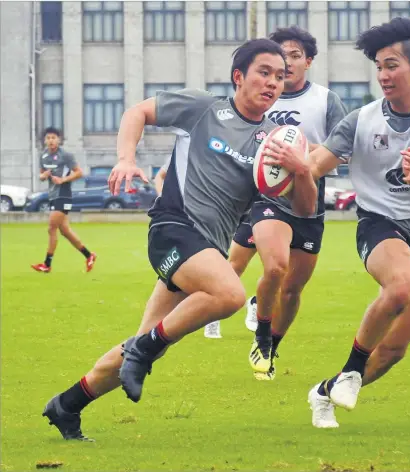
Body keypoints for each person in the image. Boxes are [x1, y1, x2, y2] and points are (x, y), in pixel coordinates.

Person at [42, 38, 316, 441]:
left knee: (142, 342)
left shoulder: (276, 141)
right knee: (229, 296)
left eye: (280, 75)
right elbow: (138, 112)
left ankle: (66, 406)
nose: (273, 82)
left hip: (206, 249)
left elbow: (306, 208)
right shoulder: (205, 108)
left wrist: (302, 170)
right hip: (173, 227)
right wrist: (126, 158)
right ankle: (145, 350)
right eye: (264, 73)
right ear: (239, 77)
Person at [304, 17, 410, 428]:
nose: (383, 75)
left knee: (395, 350)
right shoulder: (360, 120)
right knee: (401, 285)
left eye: (392, 65)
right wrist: (288, 166)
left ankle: (325, 390)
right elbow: (314, 166)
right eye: (379, 66)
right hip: (381, 224)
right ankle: (350, 371)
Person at [218, 27, 345, 381]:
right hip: (269, 197)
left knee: (292, 289)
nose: (284, 65)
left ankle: (271, 344)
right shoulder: (263, 96)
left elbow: (342, 150)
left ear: (308, 61)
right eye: (278, 58)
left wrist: (301, 159)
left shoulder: (325, 101)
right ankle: (260, 329)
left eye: (292, 56)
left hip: (308, 200)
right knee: (275, 267)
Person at [154, 129, 222, 340]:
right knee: (223, 287)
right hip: (184, 228)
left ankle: (142, 348)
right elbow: (161, 175)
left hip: (217, 226)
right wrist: (163, 197)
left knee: (222, 281)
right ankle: (211, 320)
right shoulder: (186, 148)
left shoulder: (224, 154)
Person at [31, 127, 96, 273]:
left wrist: (63, 179)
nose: (51, 141)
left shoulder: (65, 155)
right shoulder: (43, 156)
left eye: (53, 138)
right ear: (44, 140)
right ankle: (89, 255)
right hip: (53, 195)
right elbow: (41, 175)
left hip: (64, 195)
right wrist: (44, 176)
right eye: (48, 138)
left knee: (51, 228)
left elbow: (79, 172)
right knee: (65, 231)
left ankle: (47, 264)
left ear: (59, 140)